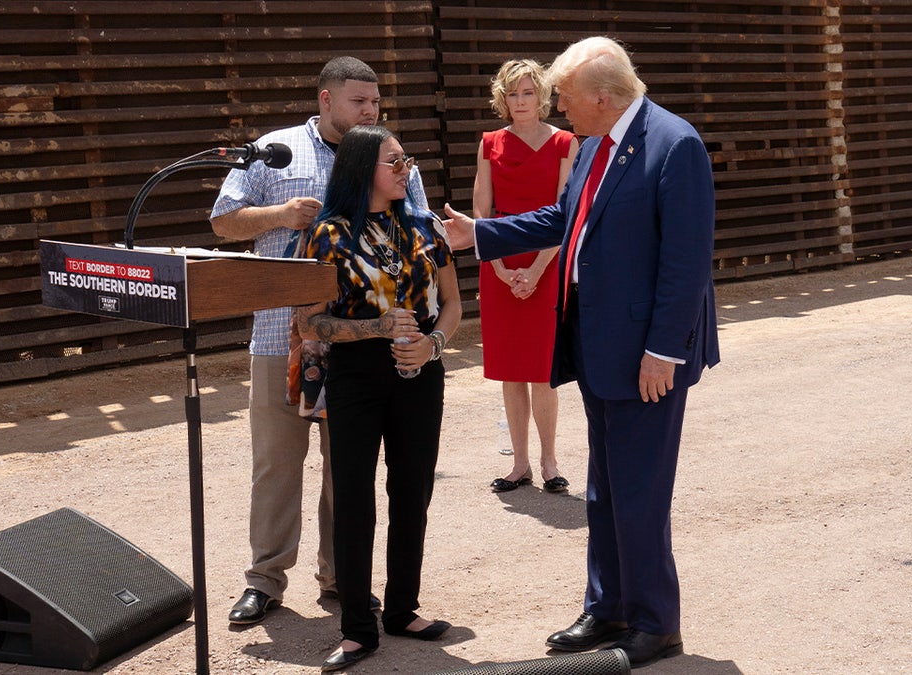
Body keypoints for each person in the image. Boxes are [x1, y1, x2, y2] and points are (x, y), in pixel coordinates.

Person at [443, 36, 719, 668]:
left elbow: (685, 264)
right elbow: (563, 220)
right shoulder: (597, 143)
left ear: (601, 95)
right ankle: (609, 607)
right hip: (595, 345)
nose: (557, 108)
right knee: (604, 487)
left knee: (640, 488)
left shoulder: (675, 145)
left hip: (646, 355)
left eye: (563, 97)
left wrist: (664, 352)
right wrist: (479, 233)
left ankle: (655, 623)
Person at [209, 56, 428, 626]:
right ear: (326, 99)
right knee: (277, 462)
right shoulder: (274, 150)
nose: (370, 111)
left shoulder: (389, 155)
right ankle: (265, 579)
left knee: (347, 467)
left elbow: (420, 231)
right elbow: (223, 220)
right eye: (360, 102)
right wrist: (280, 214)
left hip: (362, 342)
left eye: (376, 103)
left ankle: (340, 578)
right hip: (279, 334)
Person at [294, 125, 461, 672]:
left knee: (412, 491)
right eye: (395, 160)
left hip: (420, 371)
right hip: (357, 376)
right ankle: (357, 630)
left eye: (406, 158)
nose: (405, 167)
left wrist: (432, 345)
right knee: (356, 500)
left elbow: (455, 305)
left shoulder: (424, 225)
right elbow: (310, 322)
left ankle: (402, 610)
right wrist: (378, 329)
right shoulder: (327, 234)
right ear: (364, 167)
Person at [472, 59, 578, 494]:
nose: (520, 101)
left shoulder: (566, 143)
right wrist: (498, 266)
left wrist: (535, 271)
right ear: (503, 98)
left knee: (541, 369)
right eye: (513, 93)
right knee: (510, 371)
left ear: (542, 97)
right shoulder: (489, 142)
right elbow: (481, 208)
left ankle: (550, 462)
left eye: (528, 93)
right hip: (498, 261)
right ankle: (519, 465)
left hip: (547, 262)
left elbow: (564, 212)